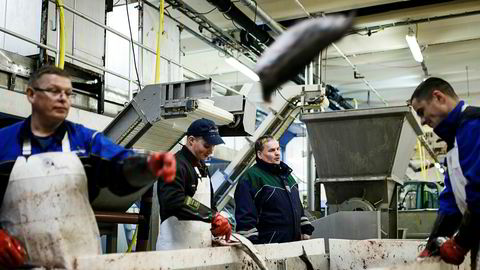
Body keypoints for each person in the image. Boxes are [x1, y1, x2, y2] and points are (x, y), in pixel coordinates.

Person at [0, 66, 176, 268]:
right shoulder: (4, 143)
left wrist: (148, 166)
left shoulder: (85, 141)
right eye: (54, 91)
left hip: (81, 263)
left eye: (68, 93)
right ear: (31, 94)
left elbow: (119, 166)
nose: (63, 98)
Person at [411, 77, 480, 267]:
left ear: (438, 97)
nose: (423, 121)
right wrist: (433, 244)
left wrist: (461, 243)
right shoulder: (454, 141)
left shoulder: (474, 125)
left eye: (421, 112)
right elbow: (451, 197)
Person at [156, 118, 232, 250]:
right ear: (191, 140)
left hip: (200, 248)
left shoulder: (202, 166)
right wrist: (211, 215)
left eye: (213, 146)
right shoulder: (174, 164)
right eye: (207, 146)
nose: (211, 151)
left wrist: (217, 223)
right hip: (175, 251)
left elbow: (209, 203)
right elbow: (175, 200)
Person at [234, 135, 314, 244]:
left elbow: (298, 207)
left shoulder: (287, 177)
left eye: (278, 149)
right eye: (271, 150)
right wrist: (253, 244)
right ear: (260, 154)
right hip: (268, 245)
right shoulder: (251, 178)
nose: (277, 153)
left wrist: (305, 228)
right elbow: (245, 216)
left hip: (294, 243)